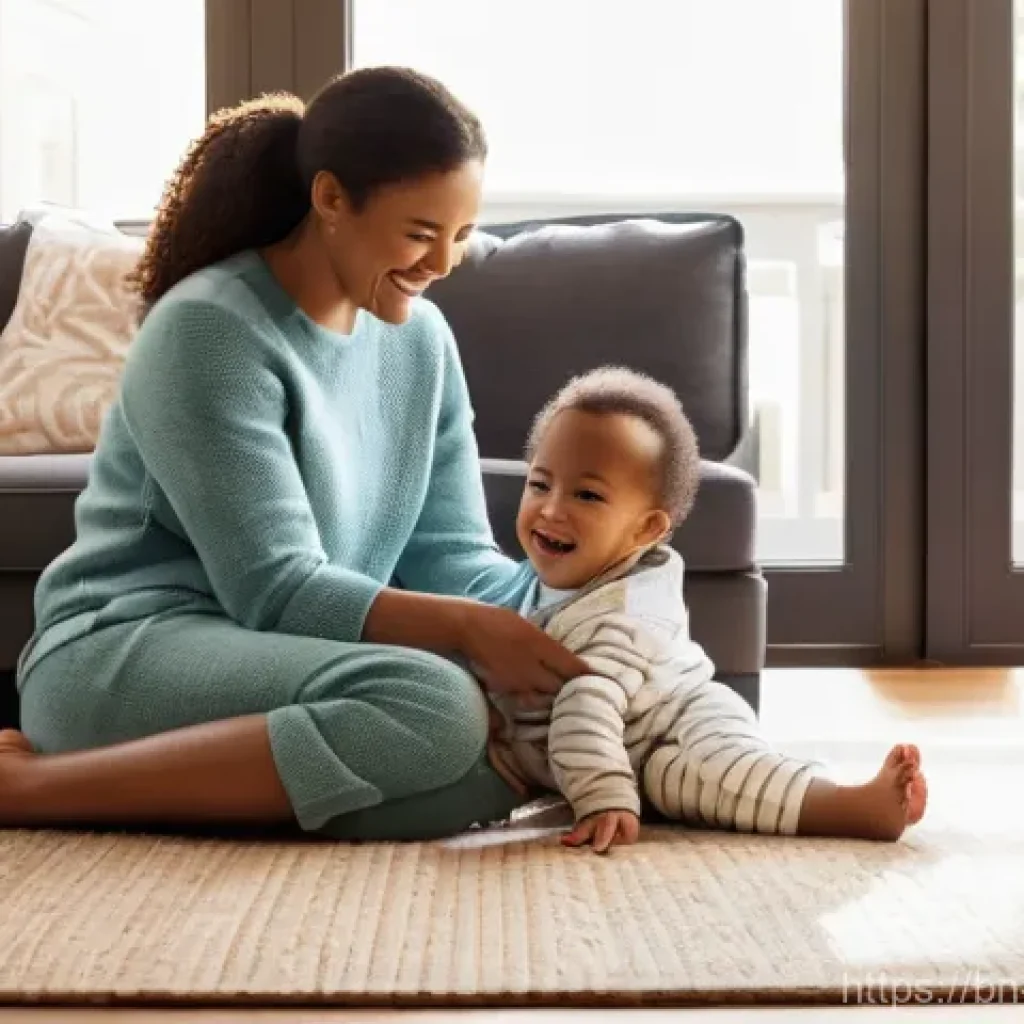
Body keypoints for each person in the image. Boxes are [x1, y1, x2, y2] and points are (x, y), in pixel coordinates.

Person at [0, 67, 590, 840]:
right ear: (331, 199)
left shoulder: (422, 340)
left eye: (461, 235)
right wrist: (474, 633)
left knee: (537, 726)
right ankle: (33, 790)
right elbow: (274, 590)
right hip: (124, 651)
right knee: (438, 706)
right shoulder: (210, 329)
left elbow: (453, 557)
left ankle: (248, 791)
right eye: (420, 234)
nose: (442, 264)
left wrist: (580, 605)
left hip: (293, 658)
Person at [485, 367, 929, 854]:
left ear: (645, 531)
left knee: (723, 773)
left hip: (681, 716)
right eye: (540, 484)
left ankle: (853, 806)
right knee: (680, 788)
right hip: (639, 758)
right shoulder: (527, 585)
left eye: (587, 495)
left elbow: (583, 702)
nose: (551, 509)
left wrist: (602, 798)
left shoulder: (628, 613)